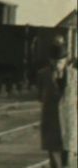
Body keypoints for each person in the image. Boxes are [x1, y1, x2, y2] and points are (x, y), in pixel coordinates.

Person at [37, 39, 73, 168]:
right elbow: (40, 96)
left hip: (69, 123)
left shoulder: (75, 76)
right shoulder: (43, 75)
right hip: (51, 121)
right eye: (55, 61)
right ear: (50, 60)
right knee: (54, 161)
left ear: (66, 60)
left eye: (61, 62)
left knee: (67, 161)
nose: (58, 64)